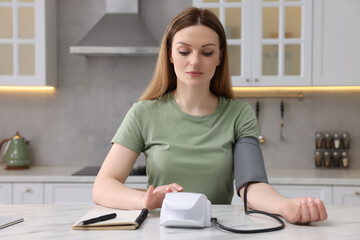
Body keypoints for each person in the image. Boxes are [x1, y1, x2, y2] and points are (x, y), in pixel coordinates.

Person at [93, 7, 327, 224]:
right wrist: (144, 200)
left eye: (207, 52)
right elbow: (103, 186)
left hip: (216, 230)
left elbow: (251, 185)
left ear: (219, 57)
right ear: (170, 54)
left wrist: (285, 206)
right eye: (184, 51)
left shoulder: (239, 115)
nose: (195, 61)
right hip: (161, 230)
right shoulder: (142, 113)